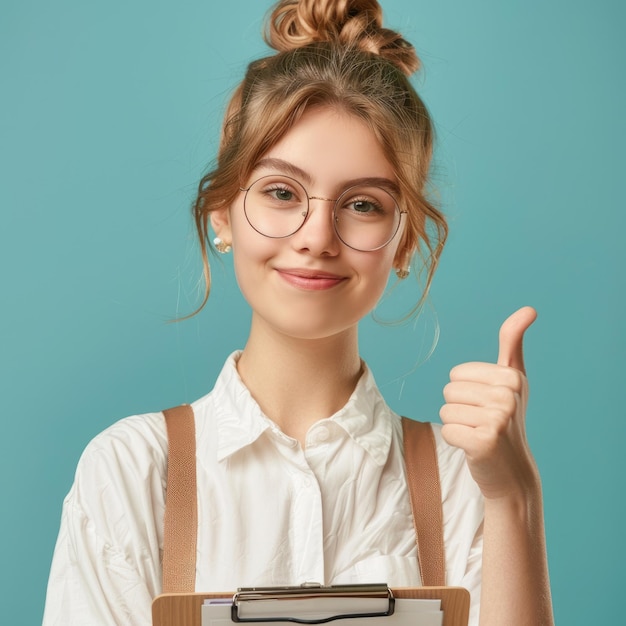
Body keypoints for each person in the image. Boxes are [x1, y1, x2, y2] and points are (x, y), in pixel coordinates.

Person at [42, 1, 554, 625]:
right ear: (222, 213)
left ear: (406, 242)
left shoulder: (462, 483)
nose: (317, 236)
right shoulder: (132, 471)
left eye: (363, 204)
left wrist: (512, 498)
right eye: (282, 193)